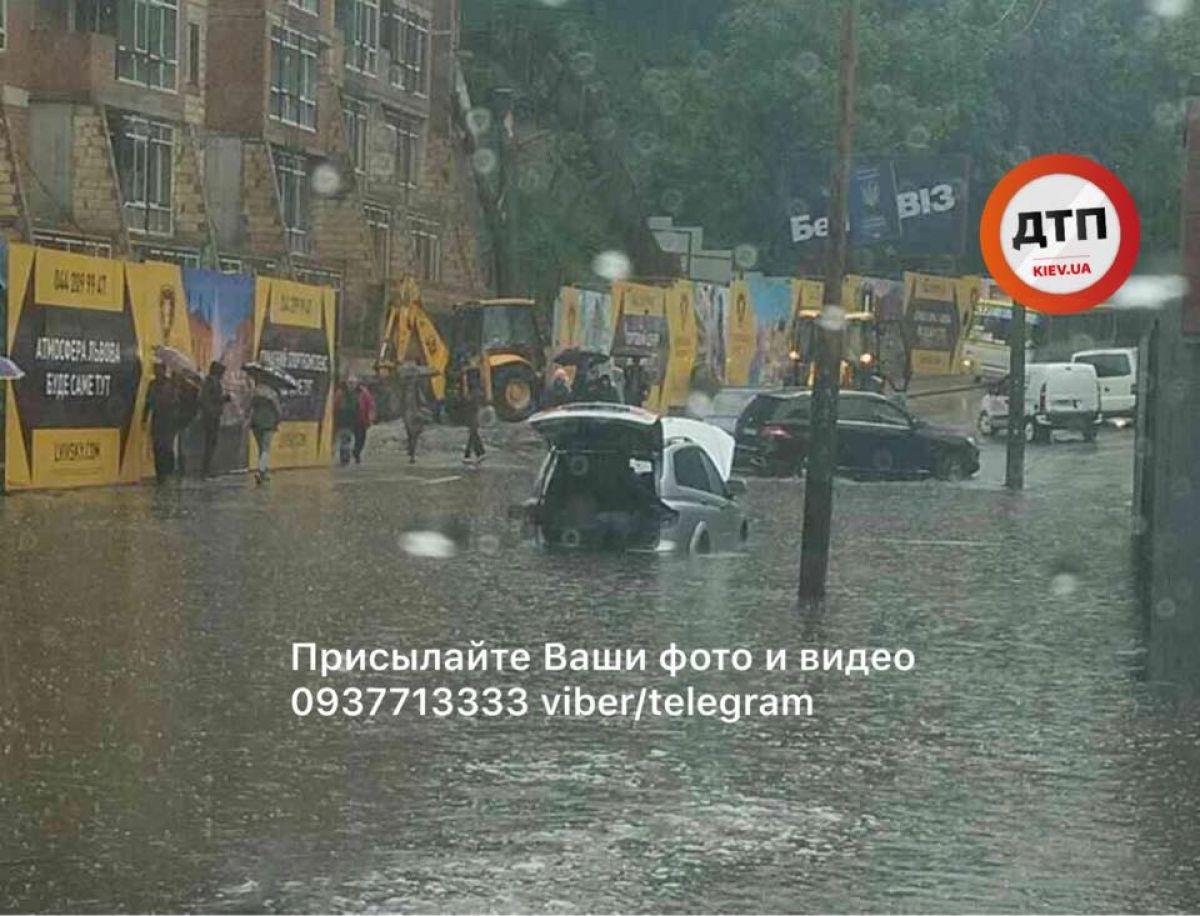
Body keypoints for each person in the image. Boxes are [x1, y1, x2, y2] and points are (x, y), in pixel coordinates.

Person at [142, 362, 179, 484]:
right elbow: (147, 402)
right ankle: (160, 474)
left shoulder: (171, 384)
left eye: (160, 370)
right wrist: (144, 417)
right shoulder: (152, 384)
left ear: (164, 370)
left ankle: (168, 471)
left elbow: (176, 402)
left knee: (166, 448)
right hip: (157, 419)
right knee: (157, 447)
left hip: (168, 420)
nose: (157, 372)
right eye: (155, 370)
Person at [199, 362, 231, 478]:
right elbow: (208, 398)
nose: (223, 374)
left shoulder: (214, 382)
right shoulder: (210, 382)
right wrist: (224, 398)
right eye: (222, 371)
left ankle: (208, 468)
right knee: (210, 442)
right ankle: (206, 470)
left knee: (212, 443)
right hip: (210, 416)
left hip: (214, 415)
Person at [249, 380, 282, 485]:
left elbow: (249, 407)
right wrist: (278, 419)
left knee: (261, 448)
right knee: (265, 448)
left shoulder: (254, 392)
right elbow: (278, 409)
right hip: (268, 422)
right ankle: (261, 471)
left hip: (256, 423)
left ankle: (263, 471)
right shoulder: (272, 393)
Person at [462, 367, 486, 464]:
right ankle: (480, 452)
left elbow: (466, 394)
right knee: (473, 430)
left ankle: (468, 454)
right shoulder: (478, 389)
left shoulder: (473, 392)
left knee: (472, 430)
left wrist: (464, 380)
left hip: (472, 403)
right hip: (474, 402)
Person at [333, 378, 359, 467]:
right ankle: (344, 458)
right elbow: (335, 405)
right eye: (351, 383)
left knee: (346, 440)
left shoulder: (355, 394)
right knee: (345, 440)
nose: (352, 385)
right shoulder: (341, 393)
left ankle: (344, 457)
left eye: (354, 383)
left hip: (350, 420)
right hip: (343, 419)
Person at [400, 377, 426, 463]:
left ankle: (412, 454)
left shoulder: (417, 392)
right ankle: (411, 450)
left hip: (415, 414)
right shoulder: (405, 393)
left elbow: (422, 402)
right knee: (411, 434)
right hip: (408, 414)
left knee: (414, 435)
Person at [352, 379, 376, 464]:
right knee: (360, 438)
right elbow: (371, 406)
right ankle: (356, 452)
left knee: (359, 437)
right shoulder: (365, 394)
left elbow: (370, 406)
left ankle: (356, 451)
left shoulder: (361, 393)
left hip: (358, 419)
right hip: (359, 419)